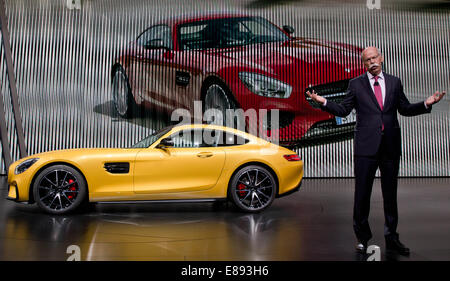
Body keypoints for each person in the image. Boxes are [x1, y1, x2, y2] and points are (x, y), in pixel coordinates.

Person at [306, 46, 446, 256]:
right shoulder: (356, 84)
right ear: (363, 64)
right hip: (366, 147)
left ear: (381, 58)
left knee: (390, 195)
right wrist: (323, 102)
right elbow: (344, 110)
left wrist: (426, 103)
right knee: (362, 194)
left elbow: (404, 109)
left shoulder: (394, 82)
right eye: (367, 60)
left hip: (390, 146)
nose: (371, 62)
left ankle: (392, 237)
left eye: (374, 58)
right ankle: (362, 238)